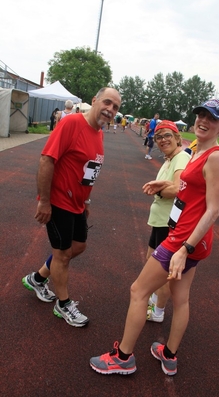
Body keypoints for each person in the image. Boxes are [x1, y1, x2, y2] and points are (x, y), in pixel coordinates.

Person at [89, 99, 219, 375]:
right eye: (200, 114)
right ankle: (169, 354)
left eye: (212, 118)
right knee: (181, 299)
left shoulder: (214, 156)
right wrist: (165, 184)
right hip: (189, 238)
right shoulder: (198, 150)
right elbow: (190, 190)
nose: (203, 120)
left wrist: (184, 249)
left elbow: (213, 210)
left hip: (184, 240)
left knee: (138, 290)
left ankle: (123, 358)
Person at [22, 87, 121, 327]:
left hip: (77, 204)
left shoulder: (99, 133)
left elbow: (88, 171)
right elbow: (47, 159)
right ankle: (63, 304)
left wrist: (86, 201)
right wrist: (44, 201)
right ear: (94, 100)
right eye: (107, 103)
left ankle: (37, 278)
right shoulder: (72, 124)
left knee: (78, 246)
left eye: (116, 107)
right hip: (58, 202)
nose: (110, 109)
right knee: (63, 255)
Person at [142, 121, 191, 323]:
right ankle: (154, 302)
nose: (163, 140)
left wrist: (159, 191)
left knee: (161, 272)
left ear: (177, 137)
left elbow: (181, 188)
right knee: (150, 264)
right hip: (160, 220)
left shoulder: (180, 158)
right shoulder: (170, 158)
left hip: (169, 223)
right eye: (159, 137)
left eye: (167, 135)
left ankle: (158, 312)